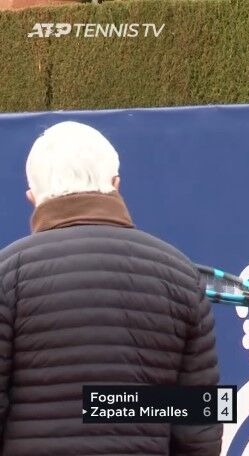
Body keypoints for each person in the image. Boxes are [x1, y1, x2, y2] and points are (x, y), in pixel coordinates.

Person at [0, 121, 222, 455]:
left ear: (33, 198)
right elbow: (200, 421)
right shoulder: (181, 273)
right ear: (116, 184)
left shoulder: (7, 273)